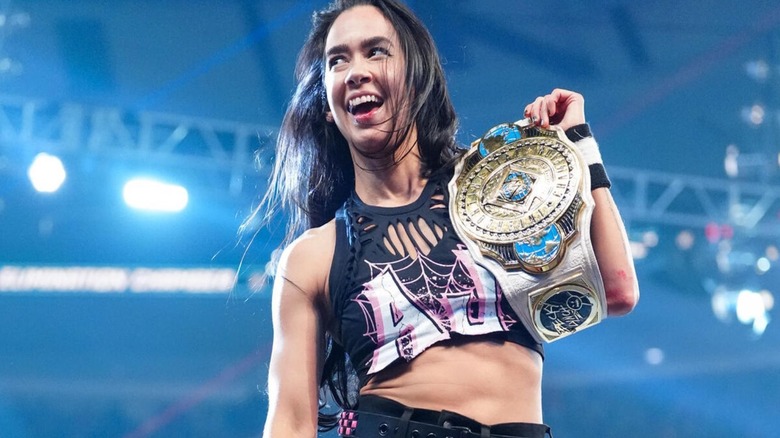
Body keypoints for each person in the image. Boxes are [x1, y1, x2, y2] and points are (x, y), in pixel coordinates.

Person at [258, 0, 639, 436]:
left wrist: (579, 144)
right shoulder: (313, 256)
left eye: (376, 51)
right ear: (328, 103)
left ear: (417, 77)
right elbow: (289, 422)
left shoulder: (496, 189)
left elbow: (616, 291)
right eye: (337, 60)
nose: (355, 70)